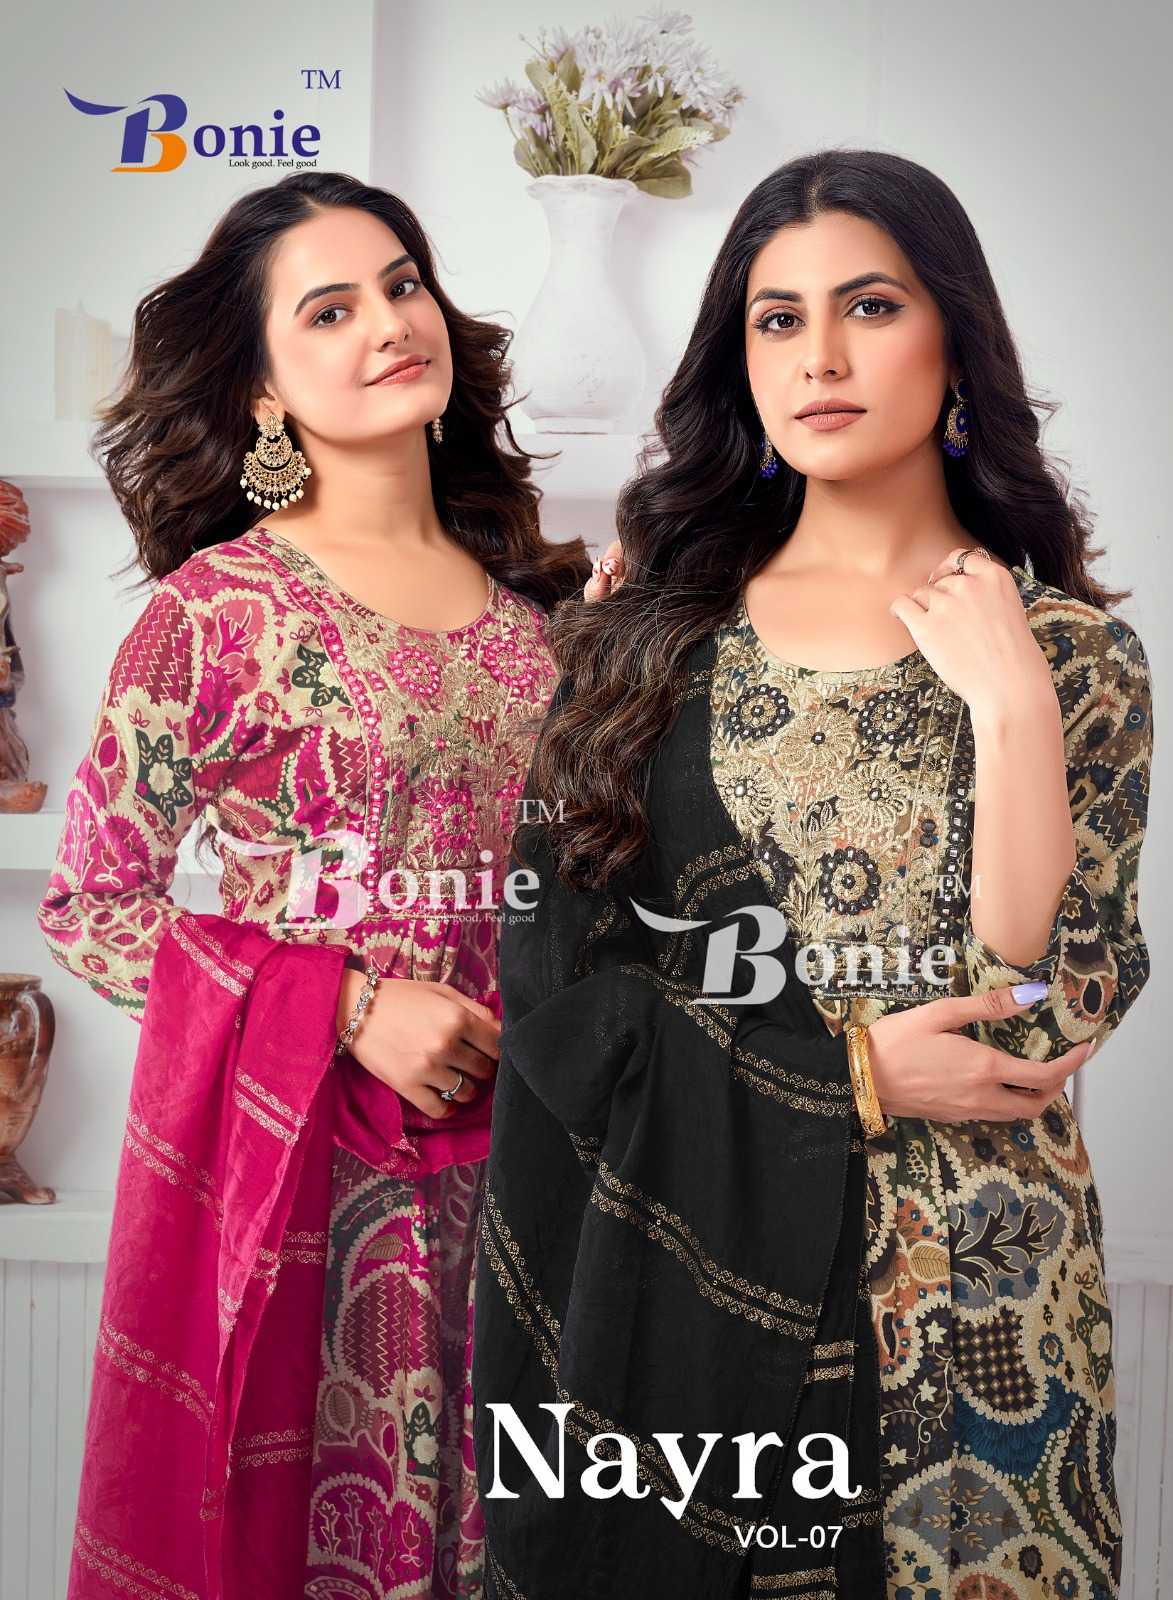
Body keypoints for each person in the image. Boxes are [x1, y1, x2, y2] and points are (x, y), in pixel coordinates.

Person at [473, 149, 1152, 1599]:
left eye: (869, 307)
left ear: (956, 344)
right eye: (776, 318)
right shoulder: (644, 648)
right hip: (696, 1290)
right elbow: (559, 998)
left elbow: (1040, 1004)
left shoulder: (1072, 656)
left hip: (986, 1300)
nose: (819, 357)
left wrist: (1011, 709)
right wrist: (847, 1076)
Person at [36, 171, 605, 1600]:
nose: (388, 324)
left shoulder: (539, 616)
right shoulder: (218, 610)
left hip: (539, 1178)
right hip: (322, 1185)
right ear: (262, 389)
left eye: (402, 286)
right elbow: (93, 901)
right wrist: (344, 1005)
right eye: (330, 310)